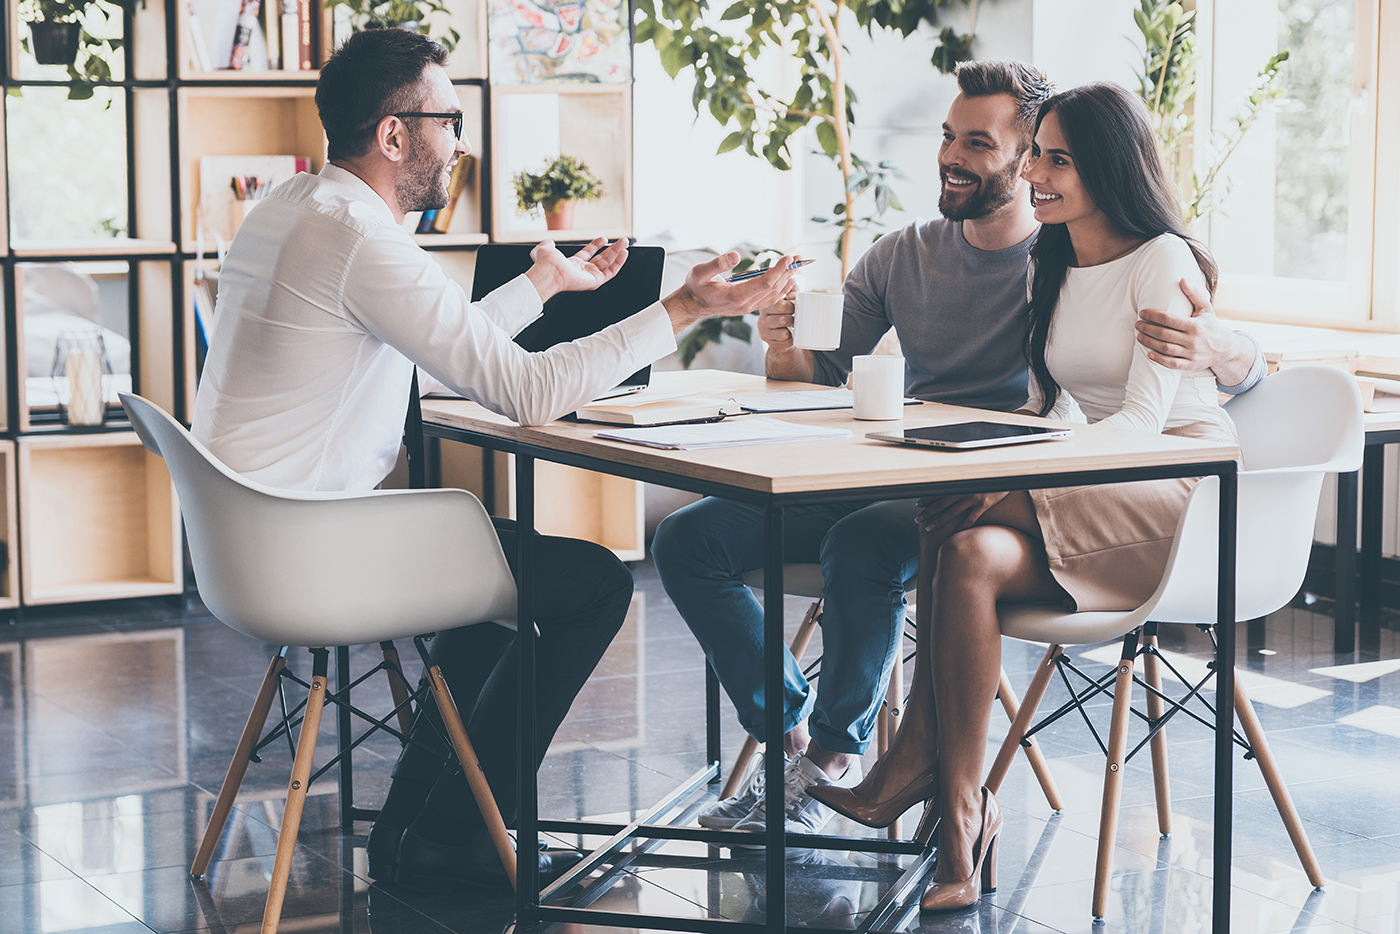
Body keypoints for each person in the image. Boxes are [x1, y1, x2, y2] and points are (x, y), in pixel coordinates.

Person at [190, 27, 797, 891]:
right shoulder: (366, 240)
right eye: (449, 119)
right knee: (590, 585)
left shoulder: (293, 209)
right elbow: (528, 392)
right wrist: (684, 307)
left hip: (247, 547)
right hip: (308, 555)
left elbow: (433, 343)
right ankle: (452, 828)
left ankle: (434, 827)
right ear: (395, 135)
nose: (463, 142)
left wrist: (545, 284)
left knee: (488, 583)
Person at [650, 60, 1264, 838]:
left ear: (1024, 159)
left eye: (980, 143)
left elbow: (1215, 369)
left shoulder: (1069, 253)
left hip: (989, 487)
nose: (951, 156)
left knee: (864, 541)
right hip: (884, 465)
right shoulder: (912, 253)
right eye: (948, 136)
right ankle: (791, 735)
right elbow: (819, 376)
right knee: (689, 536)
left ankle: (839, 762)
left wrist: (1225, 344)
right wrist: (783, 343)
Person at [812, 81, 1236, 912]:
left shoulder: (1162, 260)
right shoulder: (1057, 257)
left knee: (953, 506)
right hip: (1090, 482)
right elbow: (1059, 408)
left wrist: (1018, 471)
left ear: (1108, 168)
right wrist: (1017, 454)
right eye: (1035, 152)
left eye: (1056, 159)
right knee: (965, 545)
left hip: (1172, 485)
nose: (1034, 172)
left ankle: (917, 775)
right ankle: (961, 820)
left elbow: (1144, 422)